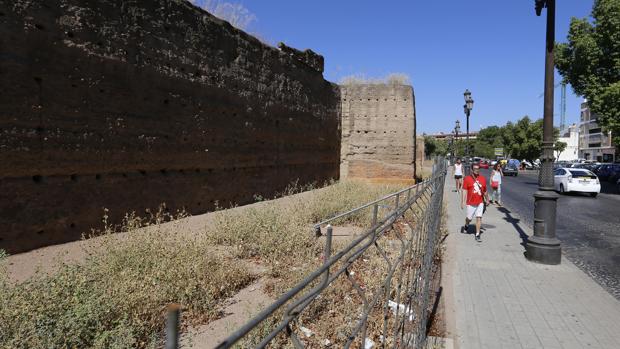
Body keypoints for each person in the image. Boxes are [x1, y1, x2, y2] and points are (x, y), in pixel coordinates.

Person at [461, 162, 489, 242]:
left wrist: (487, 199)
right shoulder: (467, 179)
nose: (477, 170)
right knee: (469, 218)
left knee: (479, 218)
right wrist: (462, 202)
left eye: (478, 169)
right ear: (472, 170)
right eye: (475, 169)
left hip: (480, 202)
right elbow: (464, 191)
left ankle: (477, 234)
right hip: (470, 203)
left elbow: (485, 191)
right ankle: (466, 224)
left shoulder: (482, 178)